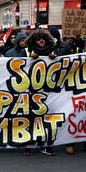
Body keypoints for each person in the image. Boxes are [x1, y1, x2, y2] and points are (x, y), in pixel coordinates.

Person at [24, 28, 58, 156]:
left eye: (43, 38)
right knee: (31, 120)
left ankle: (46, 146)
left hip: (48, 92)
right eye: (38, 38)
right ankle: (28, 146)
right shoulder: (27, 51)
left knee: (47, 119)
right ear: (34, 40)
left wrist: (55, 59)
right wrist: (29, 58)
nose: (41, 40)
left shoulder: (53, 51)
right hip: (31, 91)